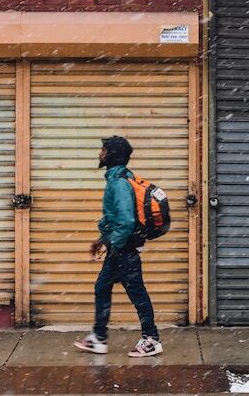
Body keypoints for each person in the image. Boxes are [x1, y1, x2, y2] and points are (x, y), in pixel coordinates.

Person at [73, 135, 162, 357]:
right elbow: (115, 220)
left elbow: (126, 221)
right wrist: (103, 241)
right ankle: (99, 338)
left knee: (136, 293)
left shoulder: (120, 182)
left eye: (103, 150)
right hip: (120, 248)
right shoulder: (119, 178)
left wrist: (113, 244)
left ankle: (151, 339)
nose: (99, 154)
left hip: (124, 250)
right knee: (103, 288)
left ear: (111, 154)